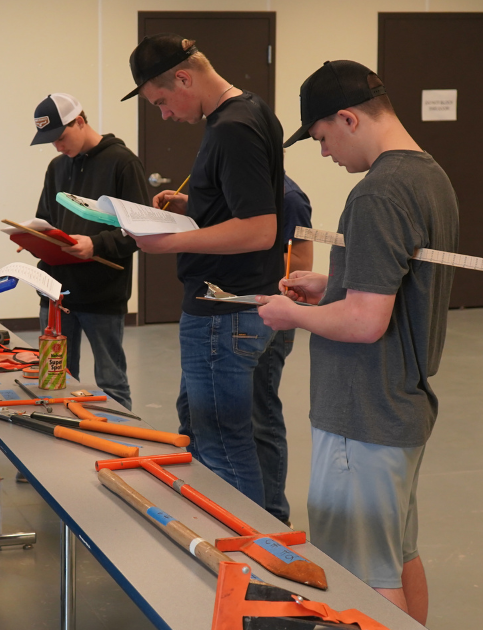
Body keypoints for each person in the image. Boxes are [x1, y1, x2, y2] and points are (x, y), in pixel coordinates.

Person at [258, 60, 459, 625]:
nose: (324, 153)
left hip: (362, 415)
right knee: (396, 557)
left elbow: (368, 321)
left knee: (361, 580)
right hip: (400, 407)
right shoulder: (430, 178)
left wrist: (291, 315)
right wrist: (332, 285)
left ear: (348, 118)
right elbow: (398, 285)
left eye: (322, 138)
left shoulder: (377, 193)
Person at [124, 33, 285, 504]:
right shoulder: (251, 110)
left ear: (183, 77)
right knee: (233, 435)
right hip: (241, 305)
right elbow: (244, 202)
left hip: (224, 311)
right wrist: (195, 202)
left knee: (221, 447)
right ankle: (262, 537)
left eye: (162, 102)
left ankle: (247, 560)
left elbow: (259, 229)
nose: (166, 114)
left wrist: (168, 241)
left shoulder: (231, 127)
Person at [31, 92, 147, 410]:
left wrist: (96, 244)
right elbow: (46, 220)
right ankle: (62, 449)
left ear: (80, 122)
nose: (57, 146)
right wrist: (34, 239)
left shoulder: (123, 163)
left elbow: (140, 231)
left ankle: (123, 444)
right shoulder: (57, 168)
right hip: (57, 294)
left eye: (61, 137)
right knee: (55, 381)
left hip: (102, 295)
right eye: (50, 141)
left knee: (111, 383)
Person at [251, 174, 312, 526]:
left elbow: (300, 264)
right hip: (240, 312)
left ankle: (274, 514)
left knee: (262, 415)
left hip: (270, 318)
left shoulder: (288, 198)